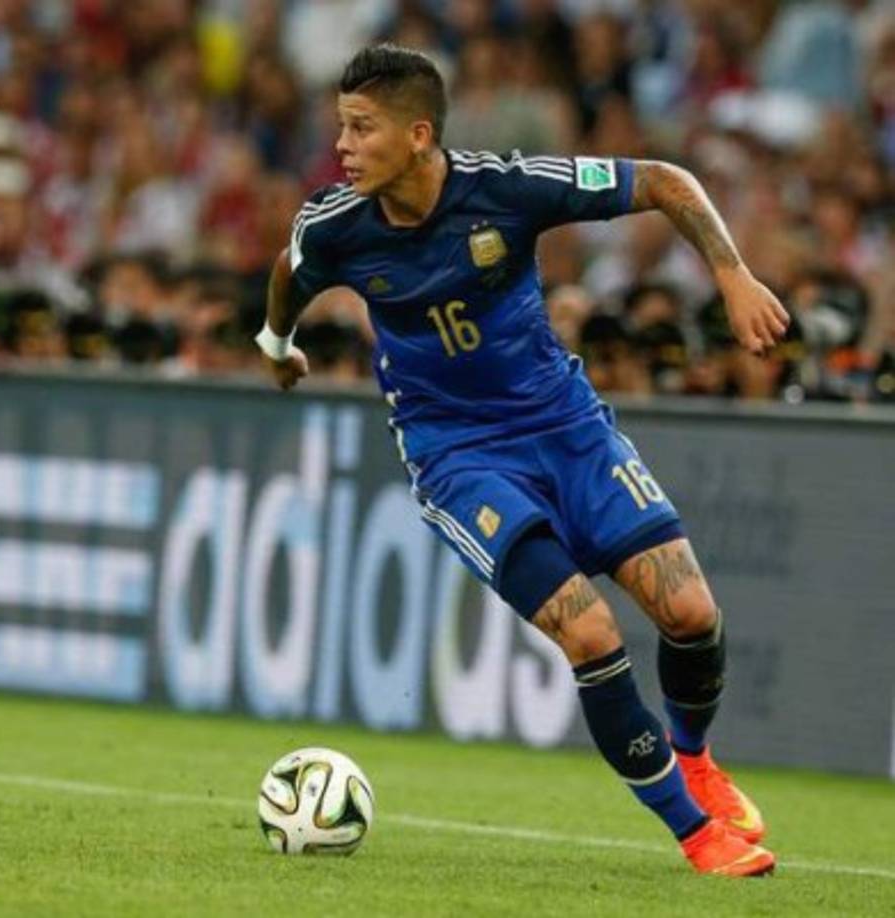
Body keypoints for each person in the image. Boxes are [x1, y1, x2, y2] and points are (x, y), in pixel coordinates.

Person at [255, 44, 789, 877]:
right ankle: (694, 833)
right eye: (341, 128)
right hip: (457, 454)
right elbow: (291, 270)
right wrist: (276, 342)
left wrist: (732, 276)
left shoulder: (504, 190)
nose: (344, 147)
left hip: (566, 429)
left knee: (691, 617)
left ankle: (693, 757)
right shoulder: (337, 225)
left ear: (419, 134)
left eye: (362, 129)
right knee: (590, 630)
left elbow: (664, 180)